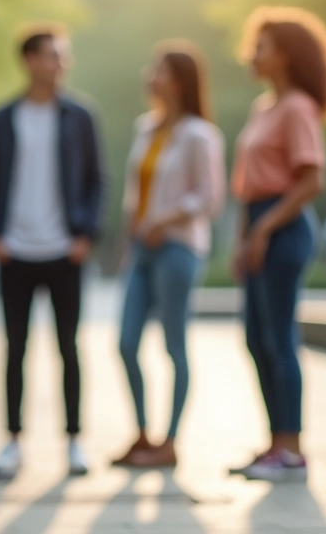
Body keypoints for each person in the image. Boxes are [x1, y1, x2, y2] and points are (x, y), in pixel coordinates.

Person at [228, 6, 326, 482]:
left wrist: (263, 230)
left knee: (280, 339)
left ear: (286, 56)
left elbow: (312, 179)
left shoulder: (298, 107)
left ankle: (292, 449)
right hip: (259, 222)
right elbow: (246, 186)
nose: (252, 54)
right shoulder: (265, 108)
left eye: (263, 46)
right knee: (256, 338)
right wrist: (244, 236)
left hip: (285, 225)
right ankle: (274, 442)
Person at [0, 23, 105, 478]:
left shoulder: (80, 116)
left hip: (64, 251)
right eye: (54, 55)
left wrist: (86, 235)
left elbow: (97, 180)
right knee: (15, 348)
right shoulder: (3, 118)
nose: (61, 64)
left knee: (69, 348)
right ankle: (12, 441)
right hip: (13, 252)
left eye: (64, 56)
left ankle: (74, 441)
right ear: (30, 60)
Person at [113, 42, 225, 468]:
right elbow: (132, 194)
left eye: (159, 70)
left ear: (179, 80)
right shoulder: (146, 128)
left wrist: (165, 218)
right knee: (125, 343)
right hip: (141, 251)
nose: (151, 76)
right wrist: (130, 240)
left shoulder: (200, 134)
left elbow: (210, 198)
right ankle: (142, 434)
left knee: (174, 345)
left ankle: (170, 441)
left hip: (178, 249)